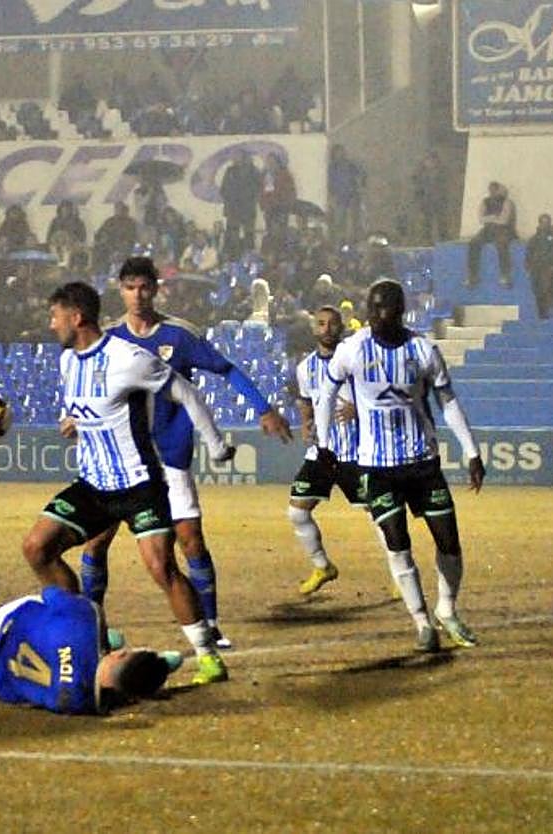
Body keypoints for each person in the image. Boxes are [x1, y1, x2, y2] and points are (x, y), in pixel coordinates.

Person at [71, 258, 293, 650]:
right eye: (129, 287)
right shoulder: (107, 340)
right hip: (121, 463)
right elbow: (86, 384)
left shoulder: (180, 335)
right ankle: (92, 629)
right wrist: (72, 416)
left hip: (170, 456)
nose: (137, 295)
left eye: (144, 287)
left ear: (156, 289)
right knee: (96, 543)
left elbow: (227, 369)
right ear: (119, 289)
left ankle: (210, 624)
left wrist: (263, 407)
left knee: (190, 540)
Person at [25, 281, 235, 685]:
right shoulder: (68, 361)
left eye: (55, 316)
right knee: (37, 548)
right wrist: (74, 421)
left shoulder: (129, 359)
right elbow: (81, 410)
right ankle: (95, 636)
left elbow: (187, 393)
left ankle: (209, 658)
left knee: (161, 568)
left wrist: (216, 444)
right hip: (93, 486)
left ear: (77, 317)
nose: (51, 325)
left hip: (140, 486)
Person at [315, 279, 485, 653]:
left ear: (400, 310)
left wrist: (471, 451)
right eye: (371, 307)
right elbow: (325, 394)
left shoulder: (422, 351)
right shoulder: (352, 350)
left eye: (383, 308)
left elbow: (448, 402)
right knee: (397, 543)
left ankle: (447, 608)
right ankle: (422, 622)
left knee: (449, 542)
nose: (375, 315)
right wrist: (324, 444)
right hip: (376, 467)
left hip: (422, 462)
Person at [289, 306, 380, 595]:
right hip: (322, 452)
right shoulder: (305, 368)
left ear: (341, 328)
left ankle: (397, 573)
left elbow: (382, 394)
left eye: (332, 324)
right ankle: (322, 566)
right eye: (321, 324)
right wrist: (305, 423)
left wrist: (360, 410)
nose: (326, 328)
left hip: (357, 452)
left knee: (378, 513)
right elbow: (305, 399)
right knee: (297, 512)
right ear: (314, 329)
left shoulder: (357, 361)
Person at [0, 586, 182, 715]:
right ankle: (156, 665)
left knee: (61, 610)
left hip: (5, 620)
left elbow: (51, 592)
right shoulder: (78, 703)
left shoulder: (88, 618)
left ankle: (115, 641)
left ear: (120, 653)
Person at [466, 181, 516, 289]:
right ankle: (472, 276)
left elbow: (504, 220)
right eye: (490, 190)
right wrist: (494, 217)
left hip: (504, 230)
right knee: (473, 243)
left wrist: (490, 218)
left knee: (501, 244)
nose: (492, 193)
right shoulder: (485, 202)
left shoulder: (507, 202)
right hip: (488, 230)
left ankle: (504, 275)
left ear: (499, 190)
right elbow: (480, 219)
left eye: (494, 190)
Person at [219, 150, 261, 257]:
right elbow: (223, 189)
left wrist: (249, 198)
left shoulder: (253, 171)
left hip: (247, 208)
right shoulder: (230, 171)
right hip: (233, 208)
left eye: (237, 156)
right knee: (232, 234)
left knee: (248, 234)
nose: (235, 159)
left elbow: (258, 189)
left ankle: (249, 256)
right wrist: (230, 198)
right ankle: (232, 255)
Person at [525, 213, 553, 319]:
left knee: (545, 287)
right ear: (539, 223)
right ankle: (542, 312)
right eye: (543, 222)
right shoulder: (534, 239)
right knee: (538, 290)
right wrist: (528, 266)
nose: (545, 225)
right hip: (536, 269)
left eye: (547, 222)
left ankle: (546, 310)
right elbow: (529, 254)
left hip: (549, 268)